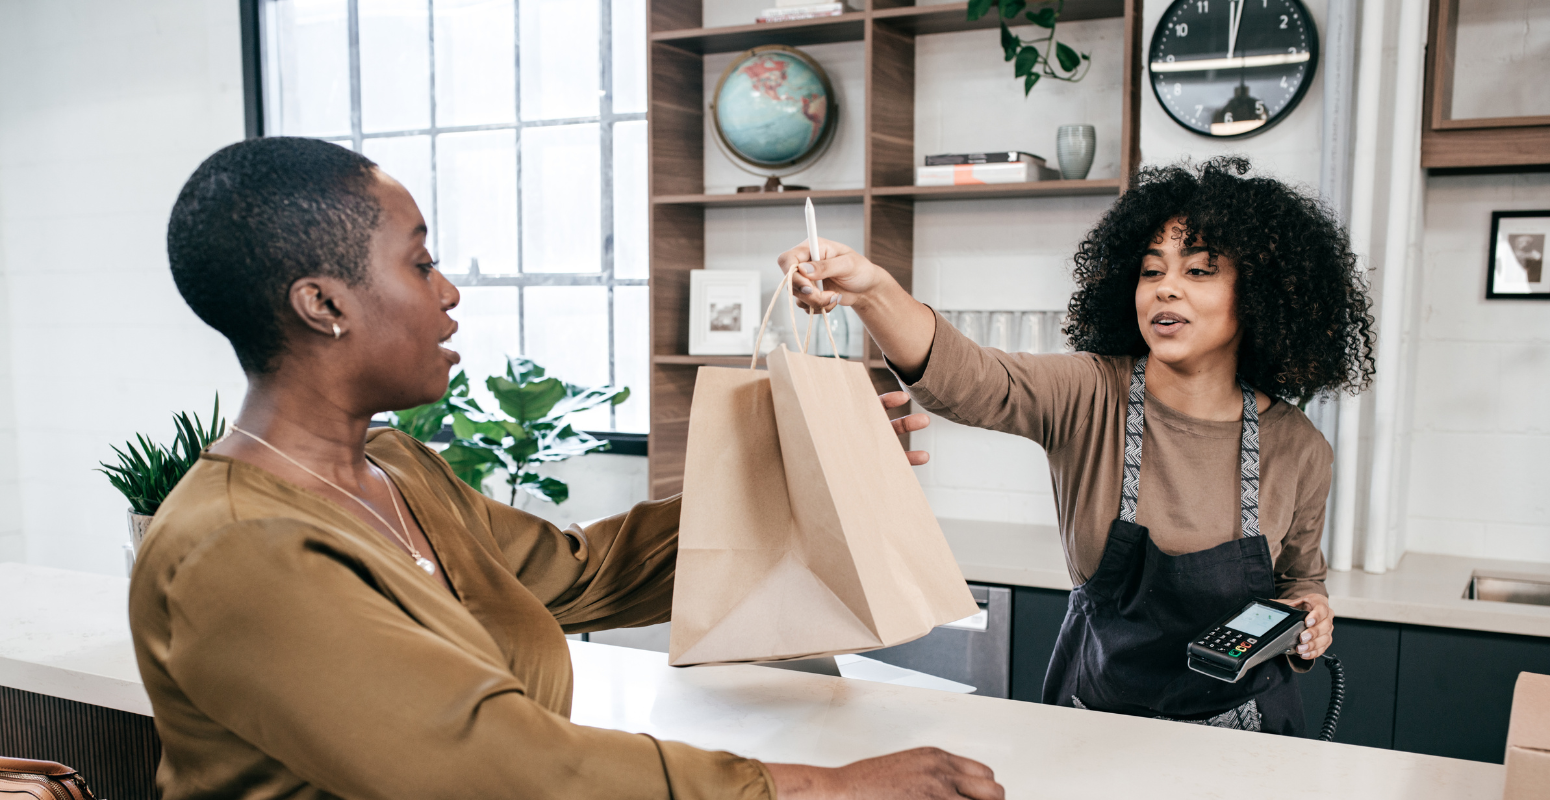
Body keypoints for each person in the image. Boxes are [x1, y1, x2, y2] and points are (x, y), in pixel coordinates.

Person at [129, 137, 1003, 800]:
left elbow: (582, 574)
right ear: (324, 305)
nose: (449, 292)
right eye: (421, 262)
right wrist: (823, 786)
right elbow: (494, 761)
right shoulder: (236, 549)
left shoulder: (396, 470)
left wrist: (806, 468)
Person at [779, 157, 1377, 736]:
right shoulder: (1091, 394)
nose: (1166, 289)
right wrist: (873, 292)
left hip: (1249, 737)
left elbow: (1301, 579)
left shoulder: (1299, 447)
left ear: (1259, 295)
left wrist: (1310, 618)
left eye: (1198, 271)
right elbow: (971, 379)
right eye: (1151, 271)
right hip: (1096, 724)